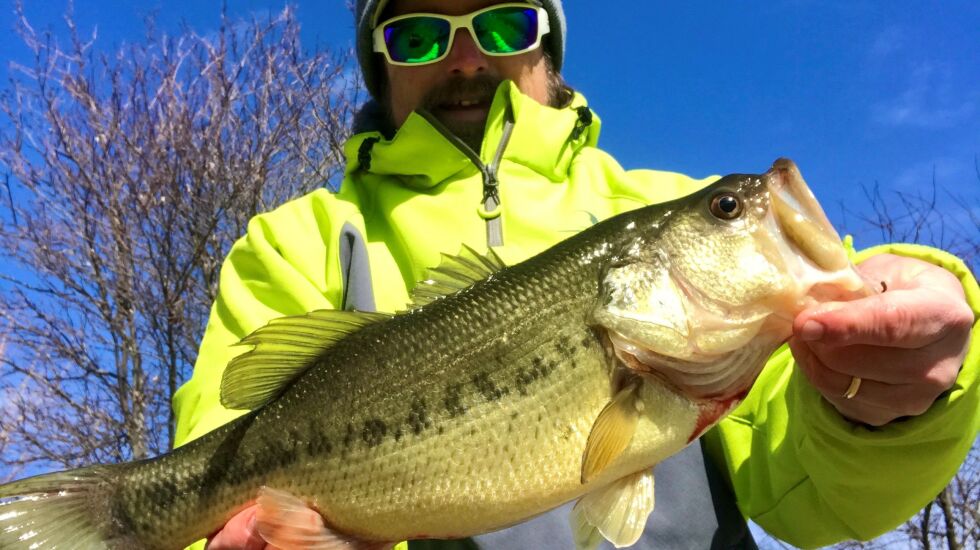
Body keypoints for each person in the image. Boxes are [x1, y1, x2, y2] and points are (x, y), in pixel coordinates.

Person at [174, 1, 979, 548]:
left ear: (548, 47)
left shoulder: (659, 206)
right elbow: (213, 466)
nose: (464, 58)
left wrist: (897, 397)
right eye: (417, 35)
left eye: (503, 23)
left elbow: (810, 491)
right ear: (378, 64)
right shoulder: (292, 244)